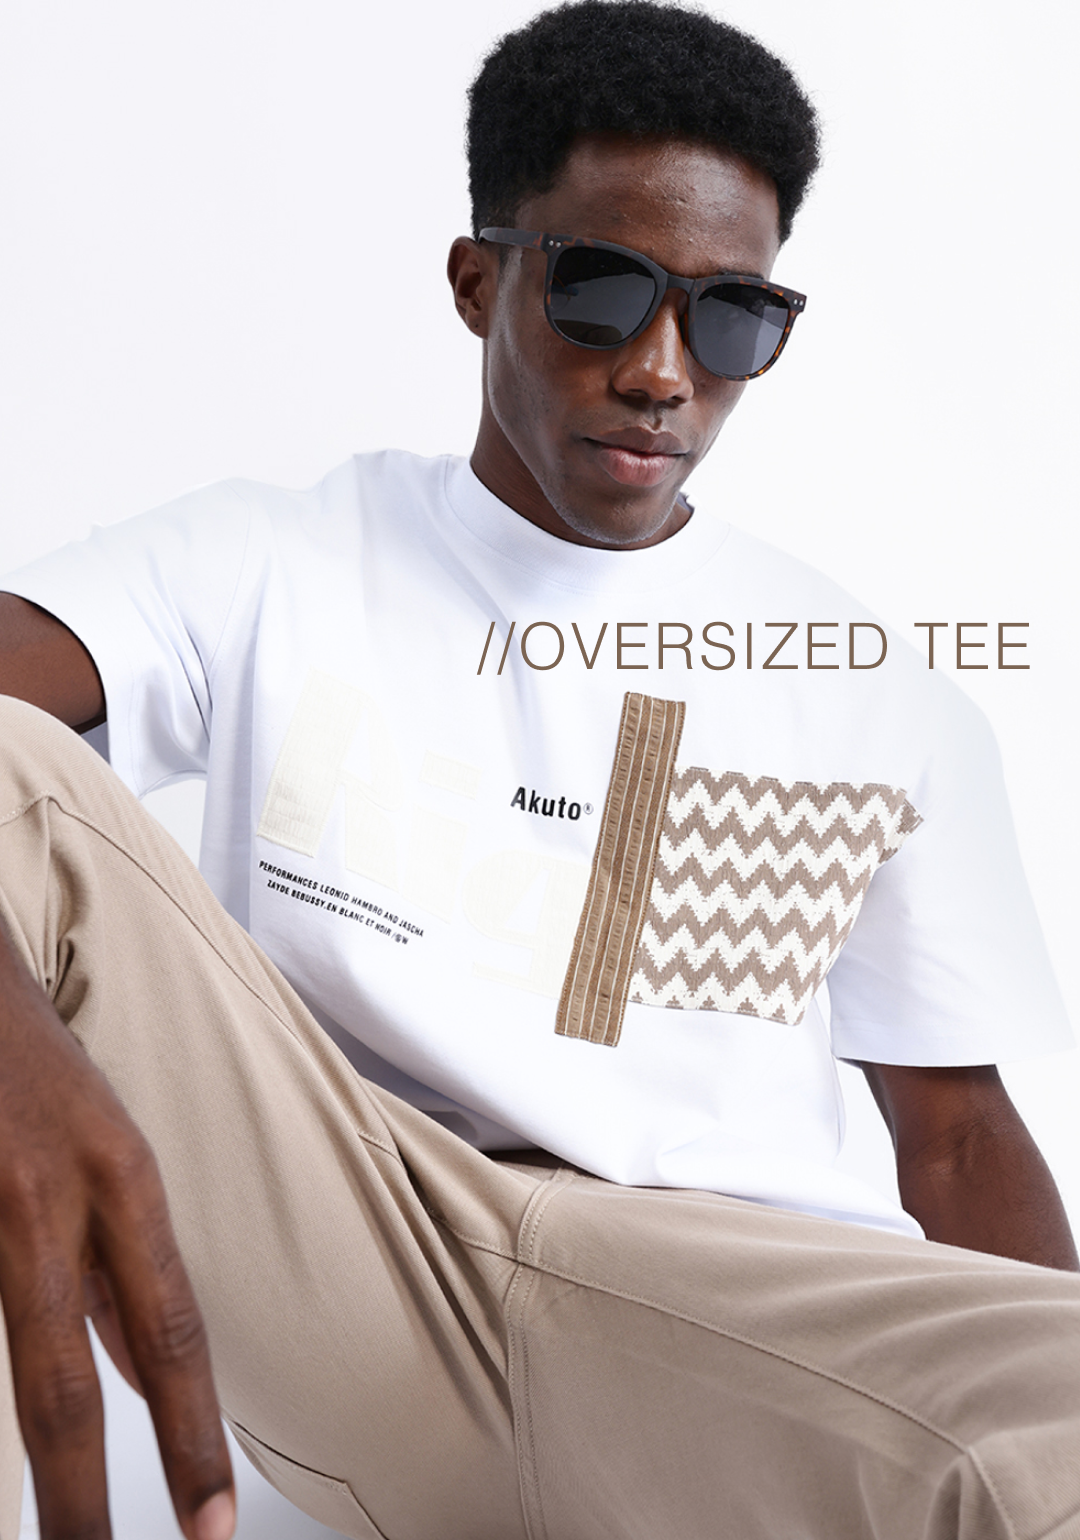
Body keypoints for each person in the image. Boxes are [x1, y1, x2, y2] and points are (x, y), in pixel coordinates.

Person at [1, 2, 1079, 1537]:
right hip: (364, 1254)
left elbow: (958, 1143)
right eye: (603, 290)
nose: (661, 371)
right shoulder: (272, 564)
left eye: (730, 318)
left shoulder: (872, 698)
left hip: (724, 1322)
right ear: (479, 281)